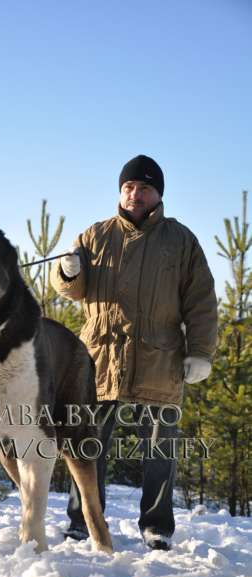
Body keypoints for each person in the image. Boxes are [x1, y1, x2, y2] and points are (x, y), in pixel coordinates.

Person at [50, 155, 217, 550]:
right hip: (100, 358)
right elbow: (71, 289)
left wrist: (201, 352)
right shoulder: (95, 235)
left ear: (158, 194)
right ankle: (82, 520)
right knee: (86, 446)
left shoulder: (181, 241)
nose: (134, 194)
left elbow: (201, 301)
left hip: (160, 358)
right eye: (128, 187)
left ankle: (157, 526)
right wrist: (68, 272)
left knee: (160, 450)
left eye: (143, 188)